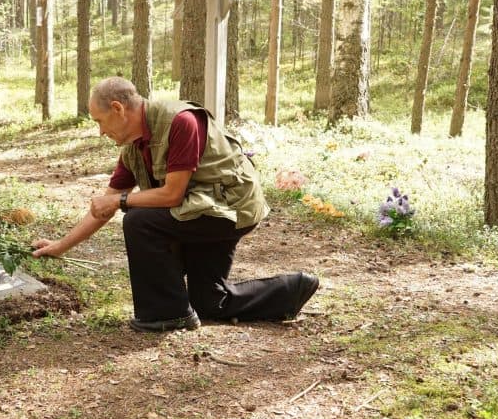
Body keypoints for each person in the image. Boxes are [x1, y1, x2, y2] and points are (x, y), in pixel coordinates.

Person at [32, 77, 319, 332]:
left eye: (99, 121)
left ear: (118, 109)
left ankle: (168, 314)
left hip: (230, 210)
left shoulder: (181, 121)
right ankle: (292, 289)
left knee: (139, 220)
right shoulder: (134, 145)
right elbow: (103, 208)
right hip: (202, 212)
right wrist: (60, 246)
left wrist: (121, 201)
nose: (100, 132)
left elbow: (172, 195)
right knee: (209, 302)